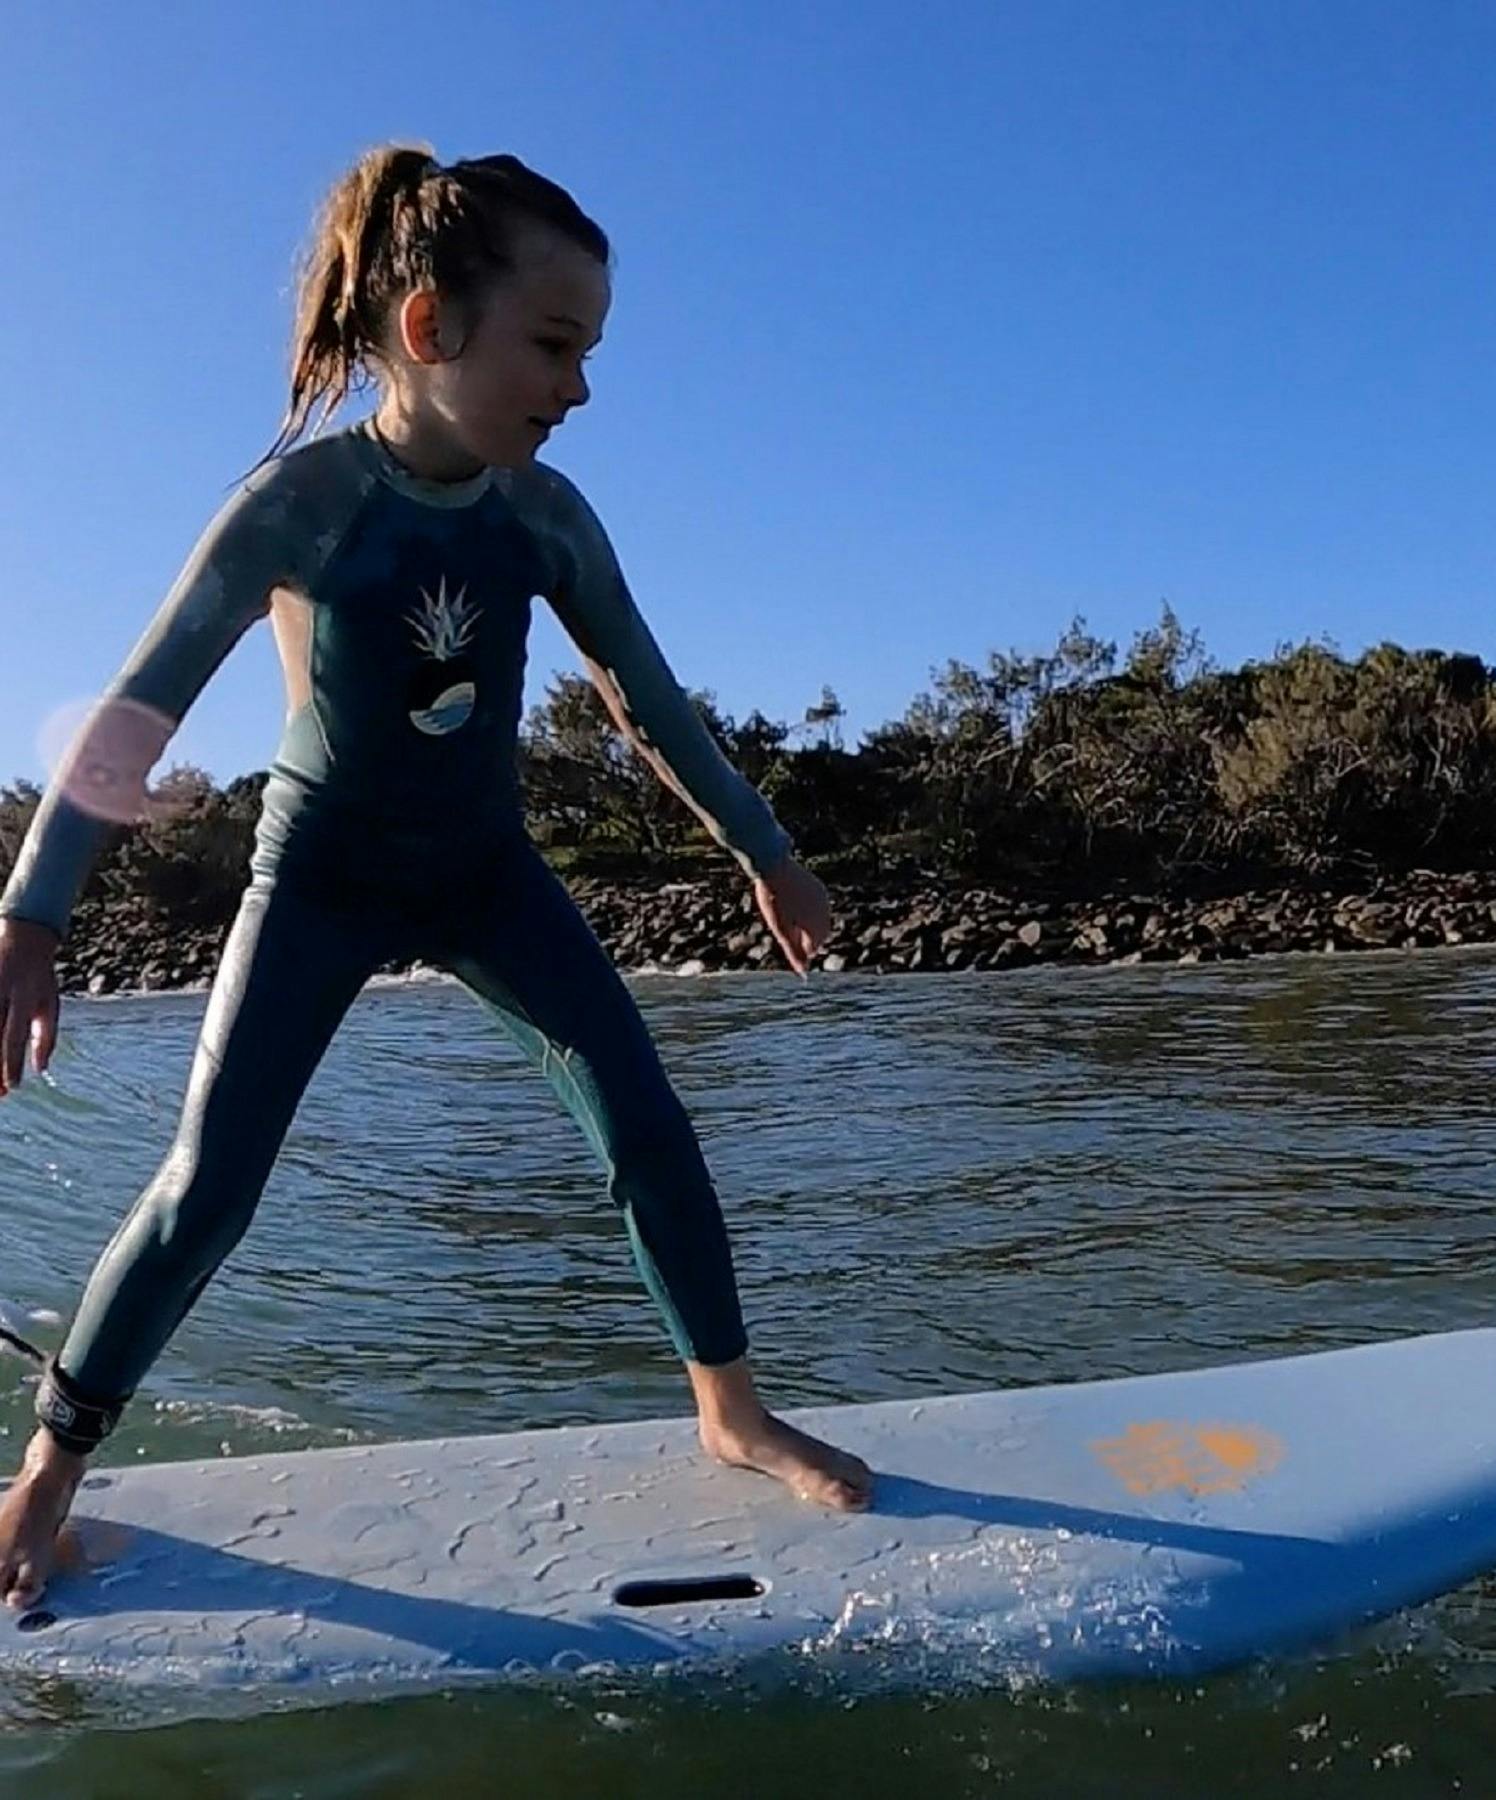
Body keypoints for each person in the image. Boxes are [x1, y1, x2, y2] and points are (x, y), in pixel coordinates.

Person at [0, 144, 873, 1610]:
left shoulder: (546, 518)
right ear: (426, 327)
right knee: (208, 1184)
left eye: (588, 351)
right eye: (554, 344)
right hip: (321, 872)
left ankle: (728, 1409)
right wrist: (31, 913)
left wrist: (766, 854)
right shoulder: (301, 507)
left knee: (645, 1119)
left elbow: (646, 699)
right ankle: (45, 1476)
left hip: (483, 873)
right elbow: (140, 709)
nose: (579, 386)